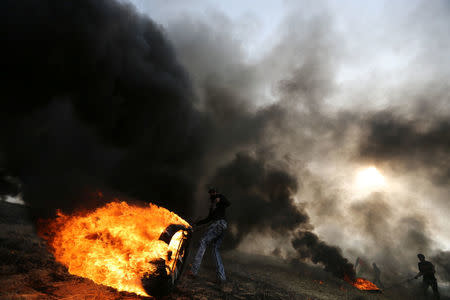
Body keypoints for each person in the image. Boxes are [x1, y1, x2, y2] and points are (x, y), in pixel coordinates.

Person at [190, 187, 231, 283]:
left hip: (219, 224)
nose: (212, 194)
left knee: (203, 242)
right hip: (221, 226)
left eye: (213, 192)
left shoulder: (220, 199)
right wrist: (197, 223)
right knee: (215, 249)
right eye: (211, 193)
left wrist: (220, 199)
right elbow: (209, 219)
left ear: (217, 192)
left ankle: (193, 271)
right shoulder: (213, 206)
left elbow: (228, 203)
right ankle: (222, 277)